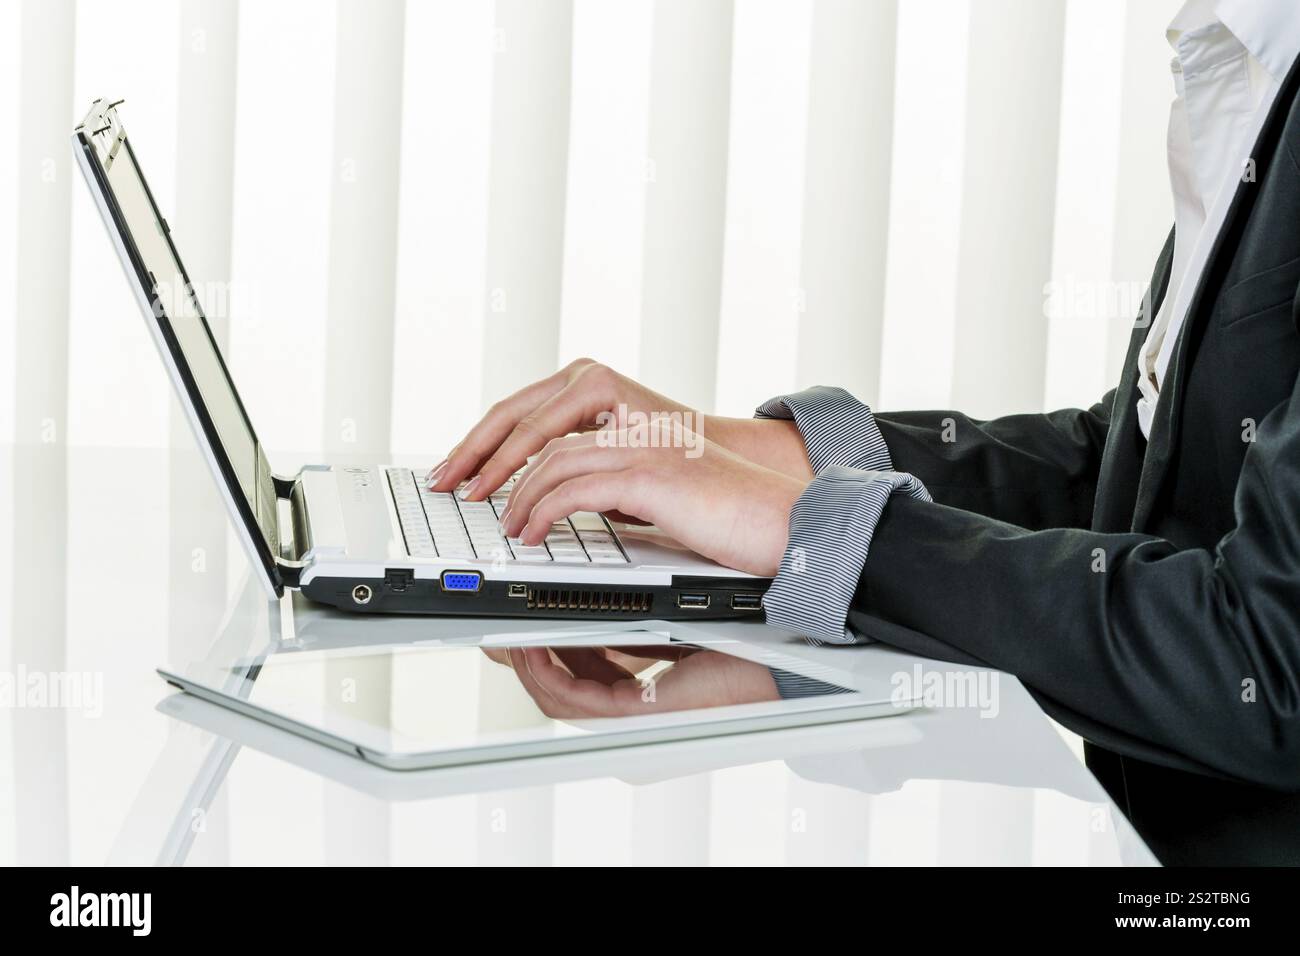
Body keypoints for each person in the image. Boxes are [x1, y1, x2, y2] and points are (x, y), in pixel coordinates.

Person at [428, 2, 1300, 865]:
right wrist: (736, 456)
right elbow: (1136, 476)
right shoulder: (1251, 57)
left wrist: (812, 526)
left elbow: (1271, 661)